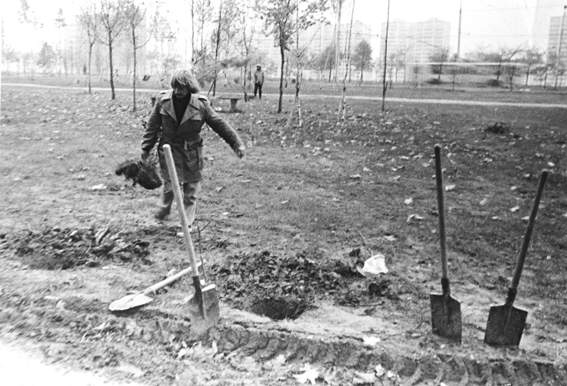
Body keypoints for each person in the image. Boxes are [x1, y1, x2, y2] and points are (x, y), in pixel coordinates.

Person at [141, 70, 245, 225]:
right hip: (169, 151)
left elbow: (219, 124)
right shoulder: (163, 101)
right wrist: (145, 149)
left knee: (191, 190)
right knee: (170, 185)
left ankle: (187, 222)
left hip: (192, 152)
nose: (177, 91)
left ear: (189, 87)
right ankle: (163, 211)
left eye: (181, 88)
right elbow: (152, 126)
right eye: (175, 87)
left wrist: (236, 144)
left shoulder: (201, 104)